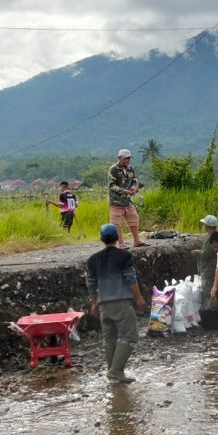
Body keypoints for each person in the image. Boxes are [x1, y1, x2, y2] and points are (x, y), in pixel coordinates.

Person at [86, 223, 148, 384]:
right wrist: (139, 298)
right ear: (118, 237)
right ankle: (116, 371)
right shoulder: (124, 256)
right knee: (130, 335)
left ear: (101, 239)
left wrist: (94, 302)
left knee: (110, 338)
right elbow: (130, 278)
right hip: (121, 303)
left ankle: (112, 373)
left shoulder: (93, 260)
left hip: (104, 305)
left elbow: (91, 283)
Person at [108, 149, 146, 249]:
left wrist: (134, 188)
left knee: (134, 219)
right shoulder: (113, 169)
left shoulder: (131, 168)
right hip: (116, 201)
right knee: (117, 223)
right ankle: (121, 243)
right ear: (119, 158)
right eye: (125, 159)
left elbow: (135, 180)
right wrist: (124, 191)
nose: (127, 161)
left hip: (128, 201)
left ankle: (136, 241)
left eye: (129, 158)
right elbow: (112, 185)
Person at [197, 214, 218, 308]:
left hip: (209, 268)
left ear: (207, 226)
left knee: (208, 290)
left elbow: (206, 254)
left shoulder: (210, 238)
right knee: (217, 289)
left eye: (204, 224)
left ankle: (210, 312)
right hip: (216, 266)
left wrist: (198, 253)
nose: (204, 226)